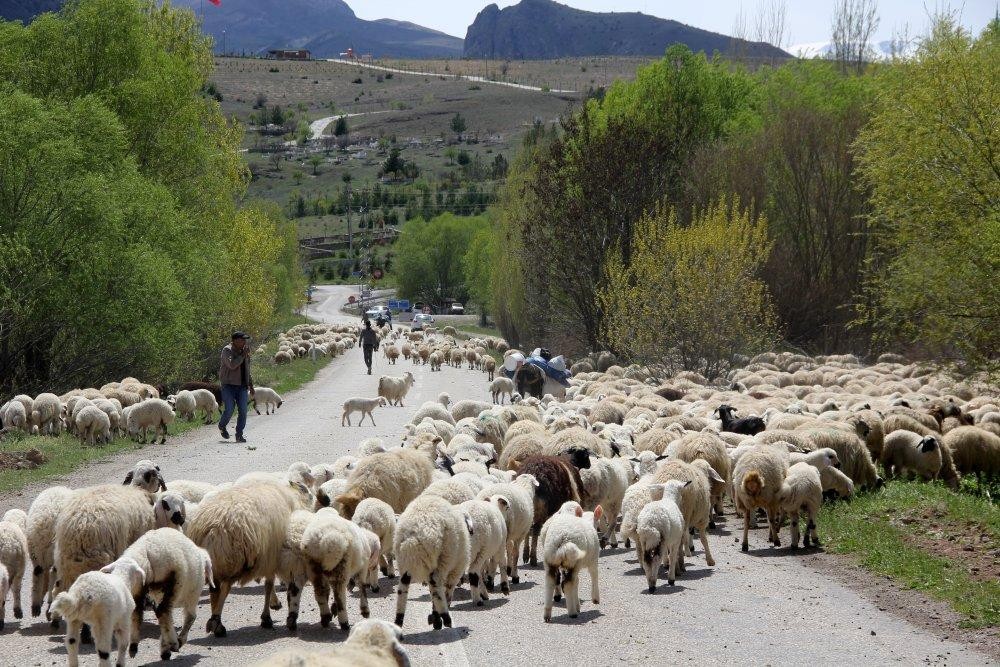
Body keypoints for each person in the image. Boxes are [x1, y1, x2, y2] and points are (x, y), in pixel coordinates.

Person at [219, 331, 254, 443]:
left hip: (242, 386)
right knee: (229, 409)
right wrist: (243, 355)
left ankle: (239, 434)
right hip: (228, 385)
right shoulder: (227, 350)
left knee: (243, 411)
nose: (244, 342)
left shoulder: (245, 351)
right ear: (235, 340)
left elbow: (247, 369)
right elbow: (232, 365)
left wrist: (251, 385)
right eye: (242, 340)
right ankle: (222, 425)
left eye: (245, 340)